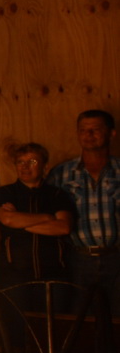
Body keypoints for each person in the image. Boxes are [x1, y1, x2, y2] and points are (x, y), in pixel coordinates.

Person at [48, 110, 120, 312]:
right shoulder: (61, 173)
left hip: (116, 257)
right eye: (83, 131)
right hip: (78, 259)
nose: (89, 135)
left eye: (95, 130)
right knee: (80, 320)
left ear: (111, 133)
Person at [0, 142, 74, 289]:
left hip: (54, 275)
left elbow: (63, 227)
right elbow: (8, 219)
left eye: (32, 162)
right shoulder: (6, 193)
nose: (25, 166)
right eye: (20, 162)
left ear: (45, 167)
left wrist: (20, 224)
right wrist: (47, 218)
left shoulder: (57, 194)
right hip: (13, 276)